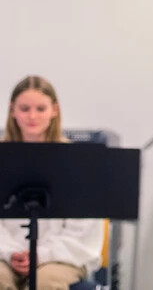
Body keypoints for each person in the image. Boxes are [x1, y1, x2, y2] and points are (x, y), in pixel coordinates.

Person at [0, 76, 104, 290]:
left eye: (40, 108)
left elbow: (83, 228)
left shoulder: (76, 162)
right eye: (24, 108)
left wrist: (40, 254)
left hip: (60, 257)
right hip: (5, 255)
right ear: (12, 110)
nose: (32, 116)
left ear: (54, 110)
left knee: (45, 282)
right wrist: (11, 252)